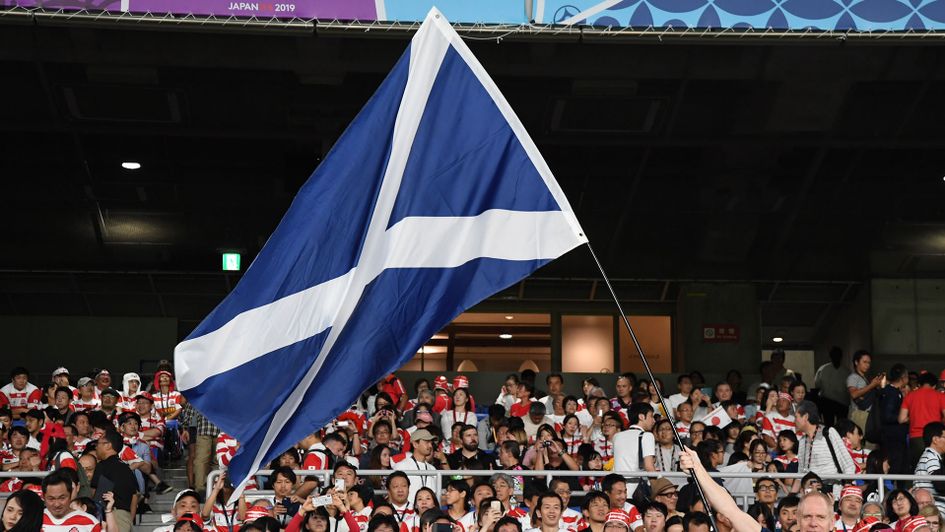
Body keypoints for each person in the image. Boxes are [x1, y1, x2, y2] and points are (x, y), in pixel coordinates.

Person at [92, 430, 138, 532]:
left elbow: (94, 492)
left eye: (98, 443)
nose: (96, 447)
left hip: (111, 516)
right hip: (126, 518)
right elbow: (134, 497)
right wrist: (129, 518)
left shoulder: (102, 465)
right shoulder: (126, 468)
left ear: (108, 445)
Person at [795, 401, 855, 476]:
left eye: (796, 417)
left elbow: (848, 464)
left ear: (806, 417)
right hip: (809, 486)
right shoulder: (802, 441)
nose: (794, 421)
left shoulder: (828, 433)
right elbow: (800, 474)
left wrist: (847, 485)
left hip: (831, 485)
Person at [900, 373, 945, 469]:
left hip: (916, 438)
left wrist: (914, 416)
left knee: (918, 468)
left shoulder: (910, 396)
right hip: (935, 438)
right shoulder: (940, 396)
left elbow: (901, 419)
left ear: (920, 384)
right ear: (934, 385)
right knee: (937, 468)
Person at [613, 403, 656, 494]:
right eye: (651, 416)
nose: (653, 420)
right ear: (641, 417)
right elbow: (649, 467)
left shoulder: (617, 436)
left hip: (618, 489)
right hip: (637, 490)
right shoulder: (647, 436)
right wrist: (658, 486)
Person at [879, 365, 910, 475]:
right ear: (903, 377)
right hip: (893, 436)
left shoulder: (893, 391)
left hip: (893, 435)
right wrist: (904, 419)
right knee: (896, 464)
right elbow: (887, 415)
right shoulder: (892, 393)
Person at [813, 347, 850, 428]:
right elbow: (817, 385)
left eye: (837, 355)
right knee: (829, 426)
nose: (836, 357)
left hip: (842, 404)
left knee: (841, 426)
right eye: (834, 355)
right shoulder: (823, 369)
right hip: (827, 402)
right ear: (830, 357)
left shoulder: (846, 372)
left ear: (841, 357)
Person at [914, 422, 945, 507]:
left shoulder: (931, 455)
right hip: (934, 505)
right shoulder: (930, 456)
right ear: (935, 440)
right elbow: (940, 484)